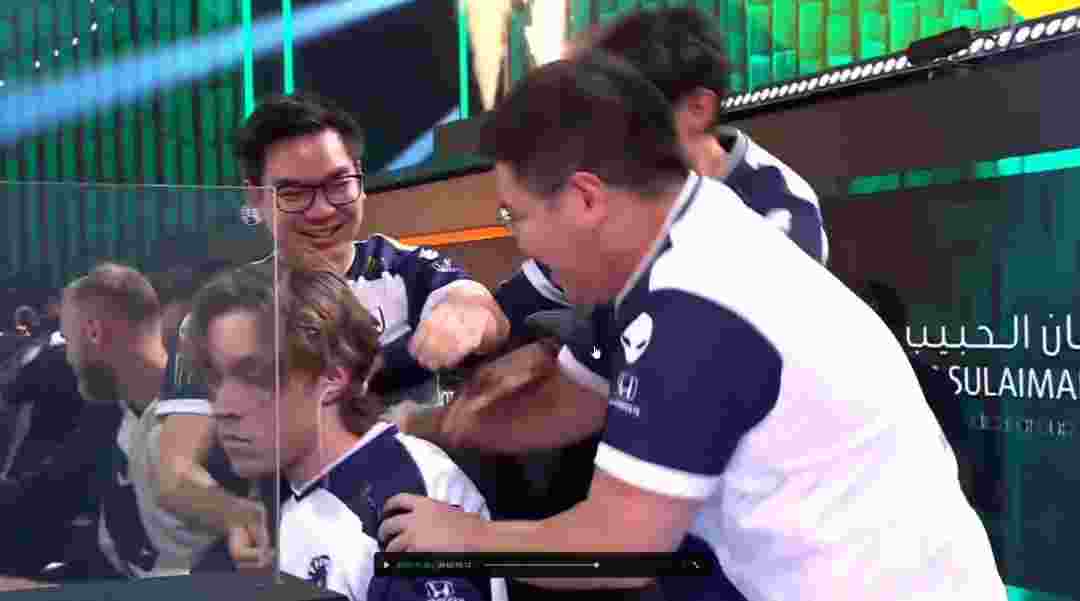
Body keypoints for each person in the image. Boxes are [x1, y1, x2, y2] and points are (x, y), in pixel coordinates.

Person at [376, 54, 1007, 600]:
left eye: (515, 216)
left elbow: (617, 546)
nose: (520, 242)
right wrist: (422, 429)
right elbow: (565, 403)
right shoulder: (674, 237)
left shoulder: (697, 298)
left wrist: (466, 538)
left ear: (586, 198)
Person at [155, 91, 509, 570]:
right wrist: (236, 515)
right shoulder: (221, 312)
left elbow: (479, 308)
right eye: (294, 193)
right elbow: (174, 470)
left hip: (403, 525)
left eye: (338, 184)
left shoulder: (403, 269)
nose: (322, 211)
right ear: (256, 197)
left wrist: (462, 316)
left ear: (360, 181)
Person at [186, 261, 507, 601]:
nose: (223, 407)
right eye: (215, 378)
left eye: (253, 375)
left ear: (333, 376)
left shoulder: (408, 499)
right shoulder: (265, 502)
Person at [0, 262, 222, 580]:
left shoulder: (222, 429)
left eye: (68, 340)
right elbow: (45, 498)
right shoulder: (109, 414)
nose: (67, 356)